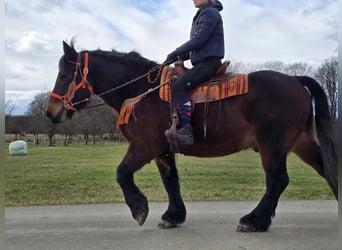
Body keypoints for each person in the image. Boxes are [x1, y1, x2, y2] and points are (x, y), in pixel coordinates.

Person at [164, 0, 225, 145]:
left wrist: (175, 52)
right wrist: (179, 56)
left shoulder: (210, 12)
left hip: (209, 63)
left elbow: (199, 40)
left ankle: (186, 129)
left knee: (178, 88)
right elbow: (197, 46)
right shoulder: (204, 12)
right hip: (202, 61)